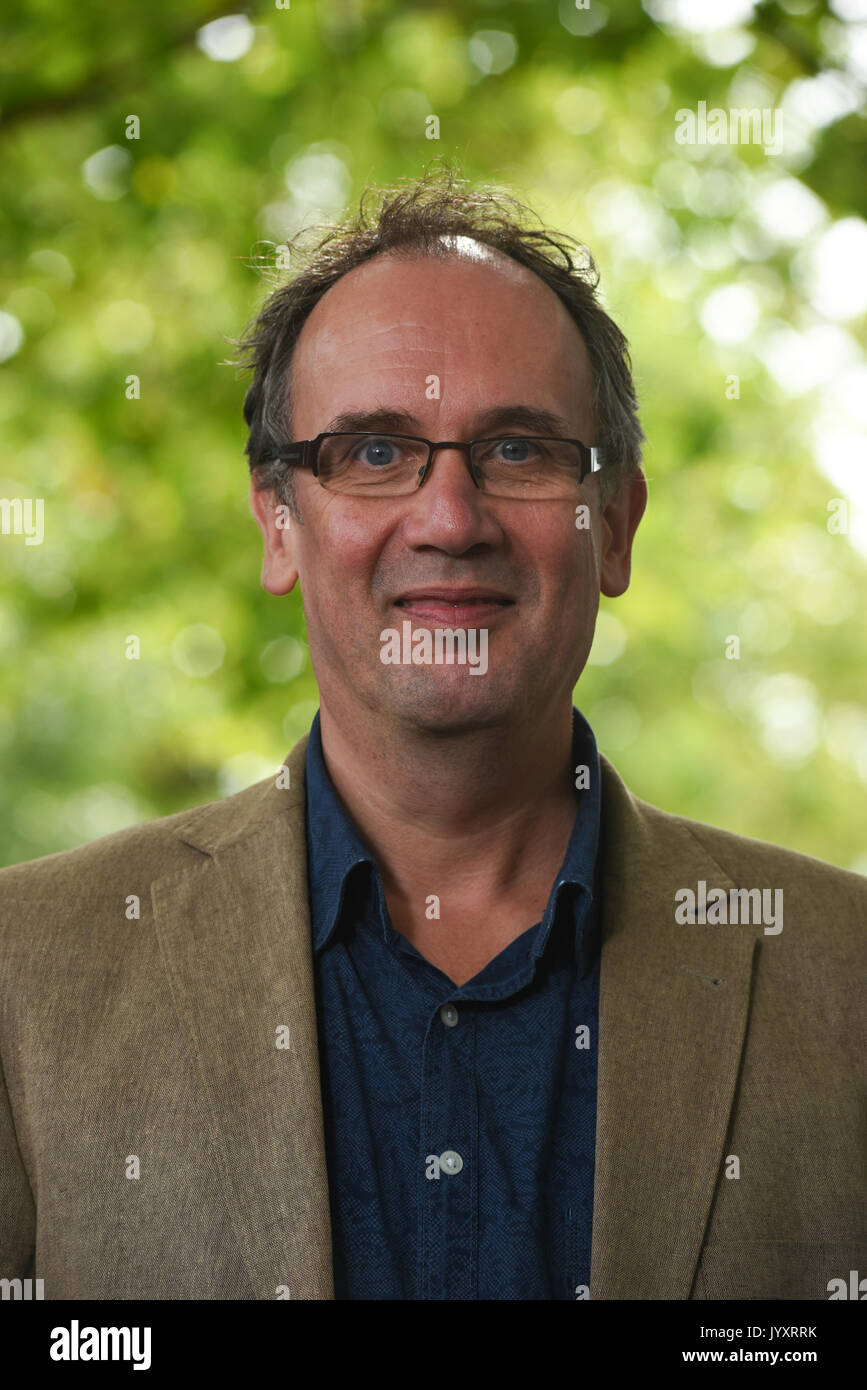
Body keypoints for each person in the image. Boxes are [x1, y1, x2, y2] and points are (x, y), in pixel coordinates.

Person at [0, 168, 864, 1302]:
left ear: (615, 527)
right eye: (371, 452)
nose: (449, 519)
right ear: (277, 522)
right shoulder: (24, 972)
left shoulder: (844, 973)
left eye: (517, 450)